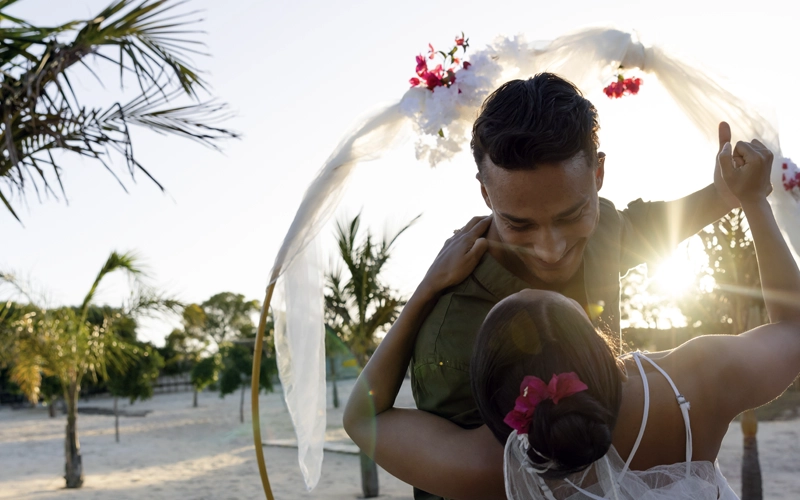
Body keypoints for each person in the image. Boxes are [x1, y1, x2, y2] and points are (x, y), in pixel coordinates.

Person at [344, 137, 799, 499]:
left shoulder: (491, 469)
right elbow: (794, 327)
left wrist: (426, 288)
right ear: (600, 342)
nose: (550, 253)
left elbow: (363, 419)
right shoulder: (697, 382)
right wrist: (753, 202)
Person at [411, 72, 742, 499]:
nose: (551, 249)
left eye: (571, 216)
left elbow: (649, 227)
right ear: (487, 196)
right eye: (520, 224)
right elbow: (446, 479)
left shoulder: (604, 229)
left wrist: (726, 194)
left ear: (598, 174)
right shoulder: (453, 334)